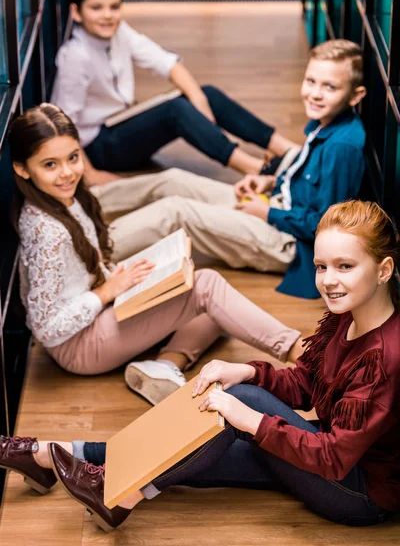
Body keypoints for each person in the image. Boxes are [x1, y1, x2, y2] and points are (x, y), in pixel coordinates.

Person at [2, 200, 398, 531]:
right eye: (321, 266)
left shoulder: (387, 356)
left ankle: (118, 496)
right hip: (327, 454)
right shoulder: (349, 314)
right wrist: (247, 370)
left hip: (356, 492)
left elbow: (333, 457)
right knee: (198, 440)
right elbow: (308, 384)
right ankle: (50, 454)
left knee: (240, 405)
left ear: (384, 270)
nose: (328, 280)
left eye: (345, 267)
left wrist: (248, 415)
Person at [8, 103, 304, 406]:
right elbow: (45, 329)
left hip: (96, 311)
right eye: (50, 165)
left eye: (73, 158)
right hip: (80, 345)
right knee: (207, 287)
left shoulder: (61, 200)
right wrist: (106, 292)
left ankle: (165, 366)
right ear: (22, 168)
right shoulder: (49, 233)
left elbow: (78, 276)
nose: (68, 172)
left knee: (211, 305)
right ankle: (300, 352)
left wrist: (118, 278)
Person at [81, 39, 367, 299]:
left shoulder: (343, 147)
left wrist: (267, 212)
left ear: (355, 96)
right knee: (172, 180)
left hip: (288, 241)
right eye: (311, 81)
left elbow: (327, 226)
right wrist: (268, 184)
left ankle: (83, 255)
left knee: (176, 211)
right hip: (276, 206)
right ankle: (78, 207)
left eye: (329, 87)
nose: (315, 94)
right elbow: (306, 183)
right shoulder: (327, 122)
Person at [51, 0, 280, 186]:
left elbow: (166, 63)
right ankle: (256, 169)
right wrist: (90, 175)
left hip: (121, 121)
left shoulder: (119, 32)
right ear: (76, 12)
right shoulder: (75, 57)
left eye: (114, 6)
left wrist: (199, 101)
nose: (108, 15)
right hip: (98, 147)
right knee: (175, 110)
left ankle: (290, 151)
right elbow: (63, 123)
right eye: (96, 8)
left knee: (206, 93)